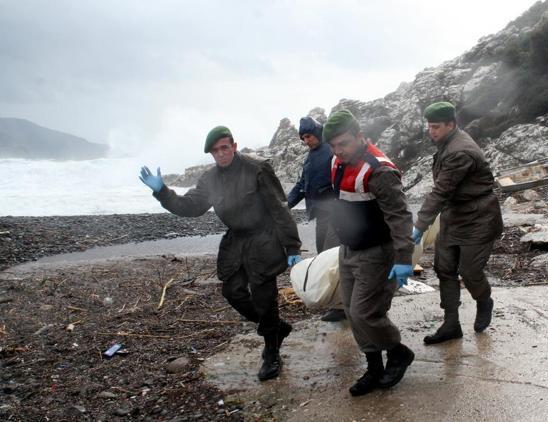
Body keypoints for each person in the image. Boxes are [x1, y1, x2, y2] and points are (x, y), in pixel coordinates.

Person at [139, 126, 302, 381]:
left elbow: (279, 207)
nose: (221, 153)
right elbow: (191, 207)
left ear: (234, 146)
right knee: (232, 291)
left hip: (264, 238)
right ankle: (276, 328)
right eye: (215, 150)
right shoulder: (210, 179)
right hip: (236, 239)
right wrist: (163, 192)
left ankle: (271, 353)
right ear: (211, 154)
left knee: (264, 296)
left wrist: (291, 245)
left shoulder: (256, 168)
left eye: (225, 147)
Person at [323, 110, 415, 396]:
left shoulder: (380, 171)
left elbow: (400, 218)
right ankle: (374, 366)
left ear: (360, 137)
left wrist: (403, 260)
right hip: (349, 249)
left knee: (366, 313)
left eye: (345, 144)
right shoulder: (338, 162)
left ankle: (398, 352)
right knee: (351, 311)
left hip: (377, 252)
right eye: (334, 146)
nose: (339, 151)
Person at [412, 101, 503, 345]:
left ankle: (484, 300)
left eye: (437, 127)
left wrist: (419, 226)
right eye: (429, 127)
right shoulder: (447, 143)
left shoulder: (459, 151)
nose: (432, 132)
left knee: (470, 271)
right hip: (454, 216)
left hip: (479, 217)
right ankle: (451, 323)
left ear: (451, 124)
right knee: (444, 269)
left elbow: (441, 191)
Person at [287, 116, 345, 322]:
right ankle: (339, 301)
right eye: (303, 138)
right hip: (321, 213)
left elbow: (342, 177)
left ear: (317, 132)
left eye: (308, 136)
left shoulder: (331, 150)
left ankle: (342, 306)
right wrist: (285, 205)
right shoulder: (310, 157)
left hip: (338, 212)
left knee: (333, 257)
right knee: (323, 254)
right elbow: (302, 184)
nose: (306, 141)